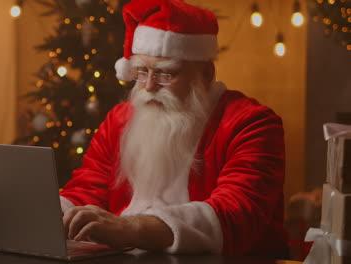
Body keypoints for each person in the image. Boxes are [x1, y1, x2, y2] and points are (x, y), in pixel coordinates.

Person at [59, 0, 288, 257]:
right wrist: (48, 213)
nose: (148, 87)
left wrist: (131, 228)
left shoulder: (251, 123)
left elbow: (237, 214)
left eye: (166, 75)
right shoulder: (120, 119)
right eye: (141, 72)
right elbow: (87, 189)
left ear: (206, 75)